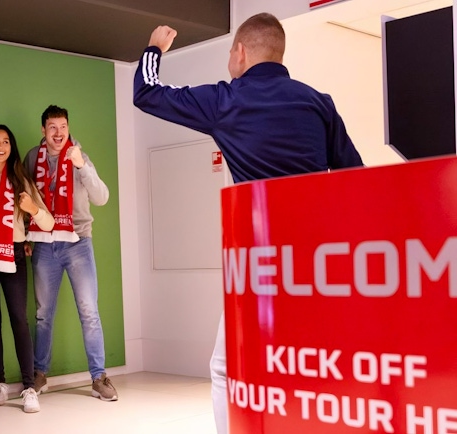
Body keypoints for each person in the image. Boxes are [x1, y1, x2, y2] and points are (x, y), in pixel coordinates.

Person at [133, 13, 364, 433]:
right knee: (304, 367)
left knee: (228, 369)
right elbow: (354, 177)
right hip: (315, 263)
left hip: (259, 264)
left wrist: (155, 48)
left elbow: (146, 93)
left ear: (240, 52)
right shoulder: (317, 102)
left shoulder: (227, 99)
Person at [23, 105, 116, 401]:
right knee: (42, 315)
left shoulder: (79, 156)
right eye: (52, 127)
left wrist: (81, 166)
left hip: (78, 241)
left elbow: (101, 197)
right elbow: (23, 198)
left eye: (63, 126)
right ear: (43, 130)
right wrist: (26, 234)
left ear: (68, 128)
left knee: (89, 312)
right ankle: (39, 374)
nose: (58, 133)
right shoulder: (31, 158)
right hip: (43, 243)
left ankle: (98, 377)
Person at [0, 124, 53, 413]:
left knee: (19, 319)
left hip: (14, 254)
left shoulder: (21, 180)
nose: (0, 146)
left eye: (6, 141)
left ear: (11, 146)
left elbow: (49, 223)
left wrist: (32, 208)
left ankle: (29, 387)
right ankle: (0, 383)